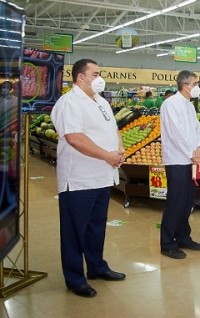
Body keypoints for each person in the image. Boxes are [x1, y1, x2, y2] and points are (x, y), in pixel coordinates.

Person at [50, 58, 126, 298]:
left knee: (96, 227)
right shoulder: (69, 102)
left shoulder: (101, 102)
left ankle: (97, 267)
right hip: (79, 179)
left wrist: (119, 151)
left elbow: (114, 130)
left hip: (103, 177)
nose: (99, 77)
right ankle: (74, 278)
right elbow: (74, 138)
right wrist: (106, 155)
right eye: (95, 74)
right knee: (74, 231)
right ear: (80, 77)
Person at [159, 70, 200, 259]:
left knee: (187, 202)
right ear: (185, 85)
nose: (197, 87)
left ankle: (183, 236)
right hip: (177, 160)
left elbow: (197, 128)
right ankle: (168, 243)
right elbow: (175, 133)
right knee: (176, 202)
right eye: (195, 83)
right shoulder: (170, 104)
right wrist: (191, 154)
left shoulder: (189, 106)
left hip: (191, 159)